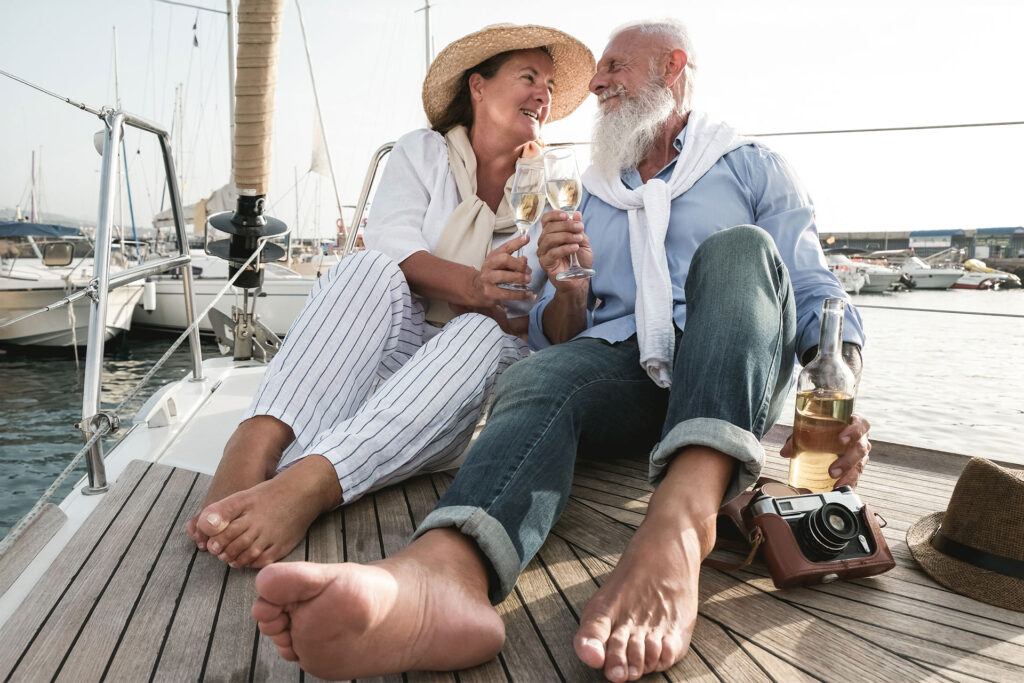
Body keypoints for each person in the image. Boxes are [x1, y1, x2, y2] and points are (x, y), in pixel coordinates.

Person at [250, 19, 873, 682]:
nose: (596, 83)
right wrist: (570, 286)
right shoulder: (592, 193)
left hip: (729, 362)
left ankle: (683, 523)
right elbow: (560, 331)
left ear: (673, 68)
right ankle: (445, 573)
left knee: (737, 250)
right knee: (541, 376)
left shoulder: (748, 165)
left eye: (614, 67)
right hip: (626, 371)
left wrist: (841, 398)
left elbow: (814, 290)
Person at [183, 24, 595, 569]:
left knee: (479, 329)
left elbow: (557, 335)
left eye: (547, 82)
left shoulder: (556, 187)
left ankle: (310, 484)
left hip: (468, 376)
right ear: (478, 86)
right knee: (366, 268)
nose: (542, 92)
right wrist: (473, 284)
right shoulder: (422, 153)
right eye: (527, 76)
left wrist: (567, 286)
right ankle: (255, 442)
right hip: (397, 343)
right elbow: (393, 248)